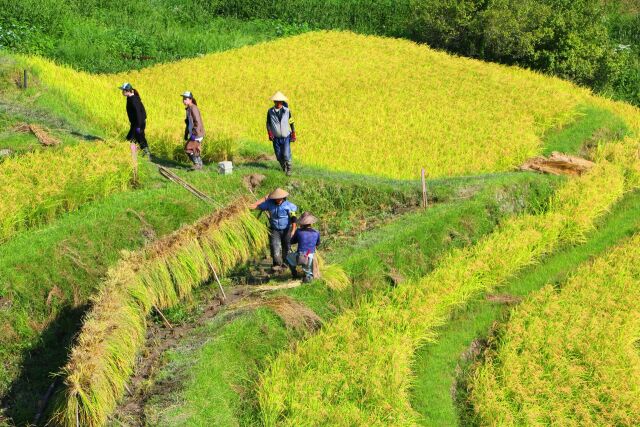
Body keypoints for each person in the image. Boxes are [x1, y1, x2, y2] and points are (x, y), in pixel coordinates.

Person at [251, 188, 297, 271]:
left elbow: (293, 218)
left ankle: (285, 265)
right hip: (275, 229)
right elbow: (257, 206)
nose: (278, 200)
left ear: (283, 198)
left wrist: (293, 230)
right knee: (274, 246)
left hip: (287, 229)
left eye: (280, 198)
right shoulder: (269, 204)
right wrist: (246, 206)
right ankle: (276, 264)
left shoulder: (289, 205)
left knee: (286, 247)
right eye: (276, 199)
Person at [266, 91, 297, 176]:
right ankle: (284, 168)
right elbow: (268, 123)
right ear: (274, 102)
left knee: (286, 154)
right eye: (277, 101)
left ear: (282, 102)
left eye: (280, 101)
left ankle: (289, 169)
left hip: (286, 136)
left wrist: (293, 132)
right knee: (279, 156)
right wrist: (270, 133)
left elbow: (291, 121)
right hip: (275, 138)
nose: (279, 103)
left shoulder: (287, 111)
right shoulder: (270, 111)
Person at [119, 82, 150, 159]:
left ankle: (145, 154)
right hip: (137, 123)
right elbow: (143, 112)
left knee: (132, 138)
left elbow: (139, 113)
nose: (122, 92)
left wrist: (138, 126)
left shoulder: (133, 100)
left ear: (127, 90)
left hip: (138, 124)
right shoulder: (131, 98)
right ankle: (143, 153)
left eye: (123, 90)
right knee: (138, 137)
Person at [287, 212, 321, 283]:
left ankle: (295, 274)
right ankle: (307, 276)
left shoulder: (299, 231)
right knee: (308, 270)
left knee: (288, 258)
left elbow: (292, 241)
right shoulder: (316, 232)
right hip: (311, 255)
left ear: (302, 223)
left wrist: (291, 235)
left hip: (302, 256)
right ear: (311, 223)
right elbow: (318, 244)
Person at [182, 91, 205, 170]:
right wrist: (186, 134)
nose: (184, 100)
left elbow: (197, 122)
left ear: (190, 99)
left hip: (197, 134)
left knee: (188, 148)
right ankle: (200, 165)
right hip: (194, 133)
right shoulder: (188, 109)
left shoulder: (193, 108)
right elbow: (188, 123)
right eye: (183, 98)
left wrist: (194, 134)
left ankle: (197, 164)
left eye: (185, 99)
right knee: (195, 149)